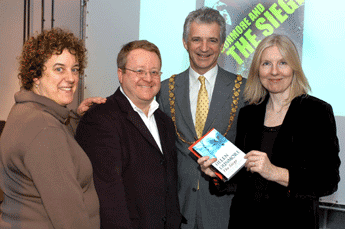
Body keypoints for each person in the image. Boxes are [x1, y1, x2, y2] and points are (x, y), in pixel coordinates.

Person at [198, 34, 341, 229]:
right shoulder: (249, 113)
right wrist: (217, 173)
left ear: (294, 68)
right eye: (266, 64)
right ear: (258, 70)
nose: (274, 71)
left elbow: (327, 181)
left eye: (282, 63)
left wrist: (274, 172)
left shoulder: (317, 112)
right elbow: (242, 177)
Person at [0, 28, 105, 228]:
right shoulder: (46, 131)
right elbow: (70, 219)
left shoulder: (25, 111)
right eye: (59, 69)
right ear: (36, 75)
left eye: (74, 69)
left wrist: (74, 118)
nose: (71, 77)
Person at [75, 40, 184, 228]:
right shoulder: (100, 118)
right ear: (121, 74)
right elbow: (108, 195)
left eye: (154, 72)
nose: (148, 78)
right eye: (139, 71)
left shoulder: (164, 122)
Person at [156, 7, 246, 229]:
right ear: (185, 42)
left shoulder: (245, 90)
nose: (204, 48)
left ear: (222, 44)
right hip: (177, 209)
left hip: (224, 211)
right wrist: (102, 106)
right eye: (196, 39)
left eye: (212, 40)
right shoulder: (164, 89)